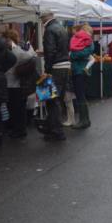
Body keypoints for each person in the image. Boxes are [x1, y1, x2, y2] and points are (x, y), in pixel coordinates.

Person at [5, 29, 38, 139]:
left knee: (16, 109)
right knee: (18, 108)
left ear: (10, 40)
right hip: (16, 84)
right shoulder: (16, 49)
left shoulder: (15, 50)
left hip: (15, 84)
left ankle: (19, 130)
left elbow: (30, 58)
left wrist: (17, 70)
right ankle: (19, 129)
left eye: (6, 39)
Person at [40, 12, 68, 141]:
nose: (40, 22)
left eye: (41, 19)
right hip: (65, 65)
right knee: (58, 99)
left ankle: (56, 131)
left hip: (55, 67)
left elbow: (50, 51)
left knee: (51, 100)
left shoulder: (49, 30)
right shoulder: (61, 28)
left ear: (44, 18)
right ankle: (53, 129)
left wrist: (47, 70)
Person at [69, 24, 93, 129]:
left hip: (80, 71)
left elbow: (80, 54)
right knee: (80, 95)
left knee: (80, 95)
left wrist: (72, 55)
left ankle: (84, 121)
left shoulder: (89, 42)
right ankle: (85, 120)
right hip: (78, 70)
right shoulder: (81, 41)